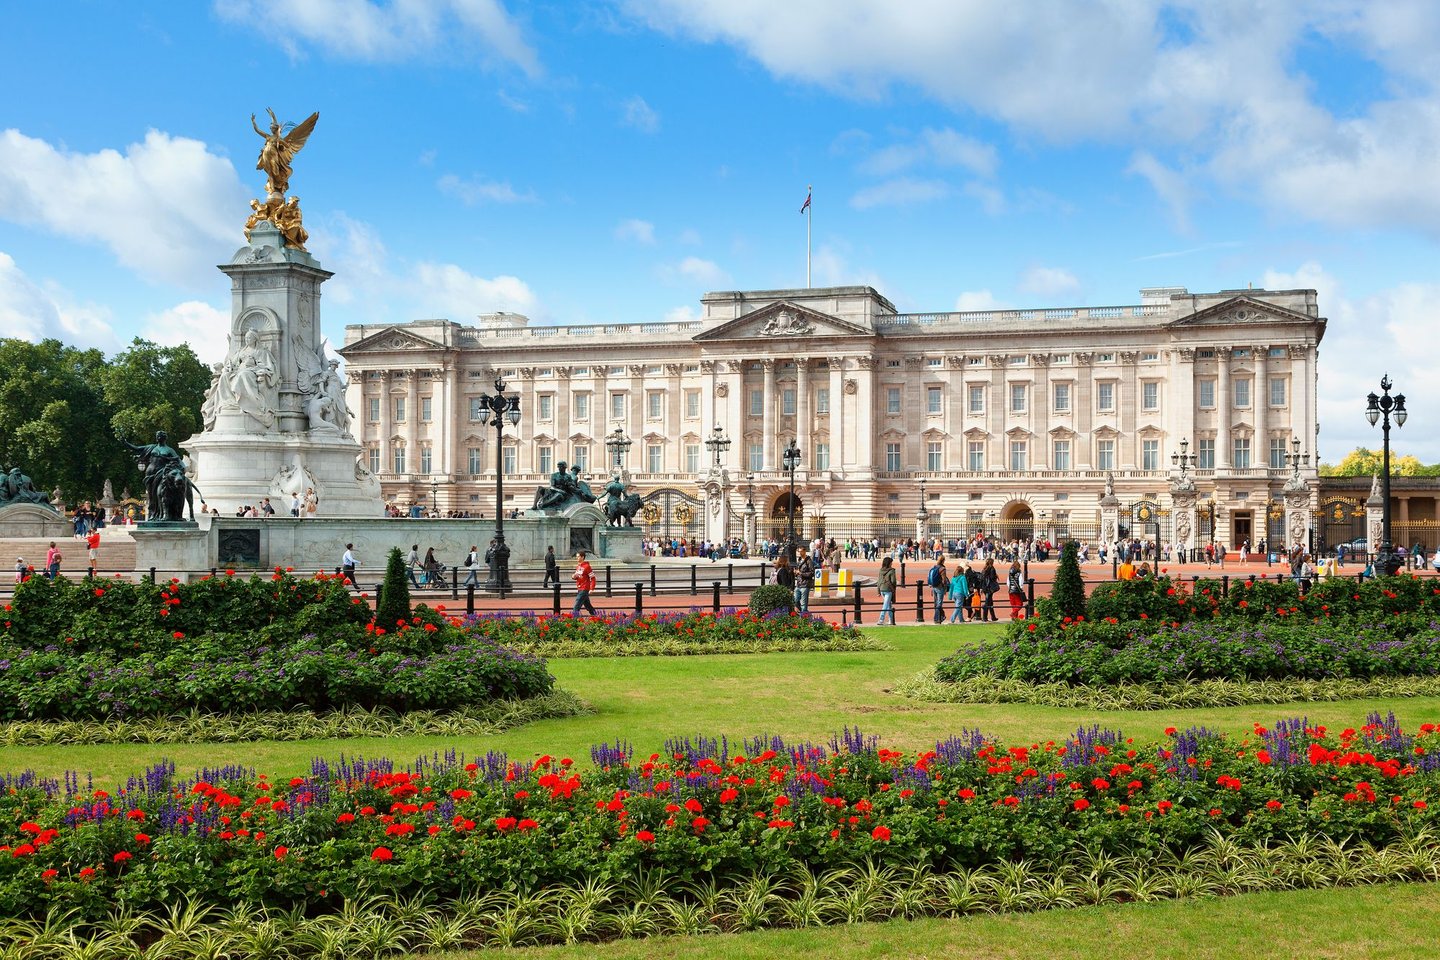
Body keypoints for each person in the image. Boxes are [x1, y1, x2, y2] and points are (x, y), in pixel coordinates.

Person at [571, 551, 597, 616]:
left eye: (578, 556)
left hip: (584, 588)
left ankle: (574, 621)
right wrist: (573, 576)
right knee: (588, 606)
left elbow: (593, 578)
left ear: (582, 557)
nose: (577, 558)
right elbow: (578, 576)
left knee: (577, 606)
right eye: (576, 557)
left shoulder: (587, 566)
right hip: (580, 587)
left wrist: (592, 588)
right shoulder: (578, 566)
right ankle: (596, 616)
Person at [793, 547, 815, 614]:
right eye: (798, 551)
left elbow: (812, 573)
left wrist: (801, 573)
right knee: (795, 600)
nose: (799, 553)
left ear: (805, 551)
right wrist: (796, 573)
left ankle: (804, 616)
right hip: (799, 583)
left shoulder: (809, 561)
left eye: (801, 551)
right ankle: (800, 614)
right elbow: (798, 570)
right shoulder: (799, 560)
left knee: (803, 603)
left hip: (805, 584)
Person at [876, 556, 897, 625]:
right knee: (885, 605)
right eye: (891, 563)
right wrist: (894, 587)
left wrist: (878, 591)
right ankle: (881, 619)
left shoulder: (880, 570)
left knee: (888, 605)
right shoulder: (892, 571)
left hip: (882, 588)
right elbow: (893, 581)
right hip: (888, 589)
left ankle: (891, 620)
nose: (892, 564)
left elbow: (878, 581)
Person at [927, 556, 948, 624]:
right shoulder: (942, 569)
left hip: (934, 587)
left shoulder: (934, 567)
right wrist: (945, 588)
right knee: (939, 603)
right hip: (939, 587)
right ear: (943, 561)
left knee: (936, 603)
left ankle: (940, 616)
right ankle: (937, 618)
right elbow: (944, 580)